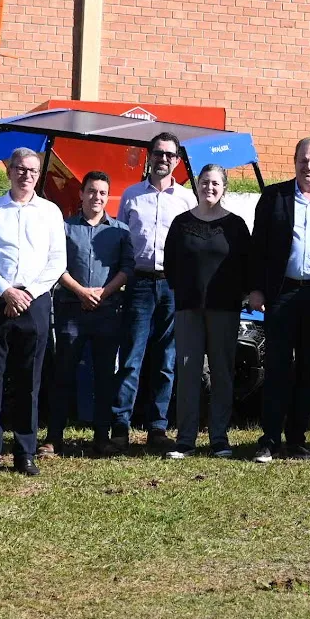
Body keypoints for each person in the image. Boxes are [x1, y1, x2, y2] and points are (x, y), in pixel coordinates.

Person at [247, 137, 310, 463]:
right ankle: (269, 439)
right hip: (282, 293)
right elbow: (257, 247)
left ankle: (296, 440)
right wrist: (256, 289)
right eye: (304, 160)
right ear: (294, 161)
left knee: (308, 370)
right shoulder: (273, 197)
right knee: (277, 367)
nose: (309, 166)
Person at [0, 148, 67, 476]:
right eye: (20, 169)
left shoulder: (51, 212)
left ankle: (25, 451)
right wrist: (5, 290)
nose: (25, 175)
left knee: (30, 378)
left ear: (39, 176)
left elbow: (57, 260)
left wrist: (27, 293)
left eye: (32, 171)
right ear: (10, 171)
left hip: (35, 302)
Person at [115, 132, 196, 453]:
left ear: (177, 160)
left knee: (166, 359)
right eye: (159, 153)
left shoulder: (188, 199)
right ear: (149, 156)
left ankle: (158, 427)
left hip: (173, 286)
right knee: (132, 358)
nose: (164, 159)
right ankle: (120, 425)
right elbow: (121, 240)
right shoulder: (132, 196)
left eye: (170, 155)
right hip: (138, 284)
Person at [164, 164, 252, 459]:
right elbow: (171, 265)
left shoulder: (236, 226)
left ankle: (219, 439)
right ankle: (185, 440)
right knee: (188, 372)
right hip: (188, 308)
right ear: (197, 185)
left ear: (224, 188)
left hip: (224, 309)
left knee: (222, 372)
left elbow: (245, 267)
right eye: (204, 182)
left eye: (215, 183)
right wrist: (186, 292)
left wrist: (236, 296)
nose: (209, 188)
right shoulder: (181, 224)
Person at [46, 171, 134, 458]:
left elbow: (127, 269)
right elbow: (56, 266)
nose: (97, 197)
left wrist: (103, 293)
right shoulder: (64, 228)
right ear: (82, 194)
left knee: (105, 376)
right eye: (92, 191)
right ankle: (53, 438)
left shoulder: (120, 231)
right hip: (71, 311)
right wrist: (82, 292)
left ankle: (101, 437)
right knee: (63, 374)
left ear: (108, 197)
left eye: (102, 193)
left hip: (107, 313)